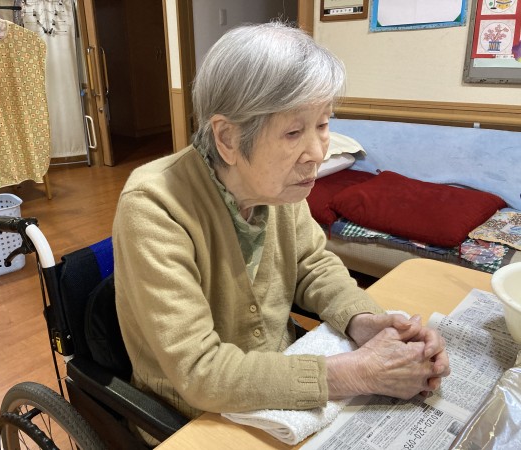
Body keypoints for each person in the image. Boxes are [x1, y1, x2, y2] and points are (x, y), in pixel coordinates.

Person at [112, 21, 449, 438]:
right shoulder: (154, 205)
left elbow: (312, 265)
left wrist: (365, 321)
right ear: (228, 138)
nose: (317, 152)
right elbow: (199, 372)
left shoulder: (279, 187)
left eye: (323, 124)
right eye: (293, 132)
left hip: (279, 388)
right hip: (190, 417)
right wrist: (359, 372)